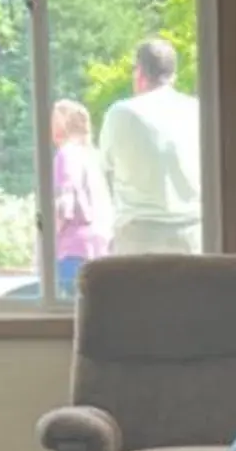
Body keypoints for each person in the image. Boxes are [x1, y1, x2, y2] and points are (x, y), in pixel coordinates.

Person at [99, 35, 202, 256]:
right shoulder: (196, 111)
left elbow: (105, 169)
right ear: (173, 76)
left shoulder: (121, 113)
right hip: (191, 232)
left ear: (139, 74)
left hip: (137, 234)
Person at [50, 97, 112, 299]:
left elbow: (64, 205)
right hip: (101, 247)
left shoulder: (65, 155)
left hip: (73, 248)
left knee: (68, 309)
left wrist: (47, 240)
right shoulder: (92, 155)